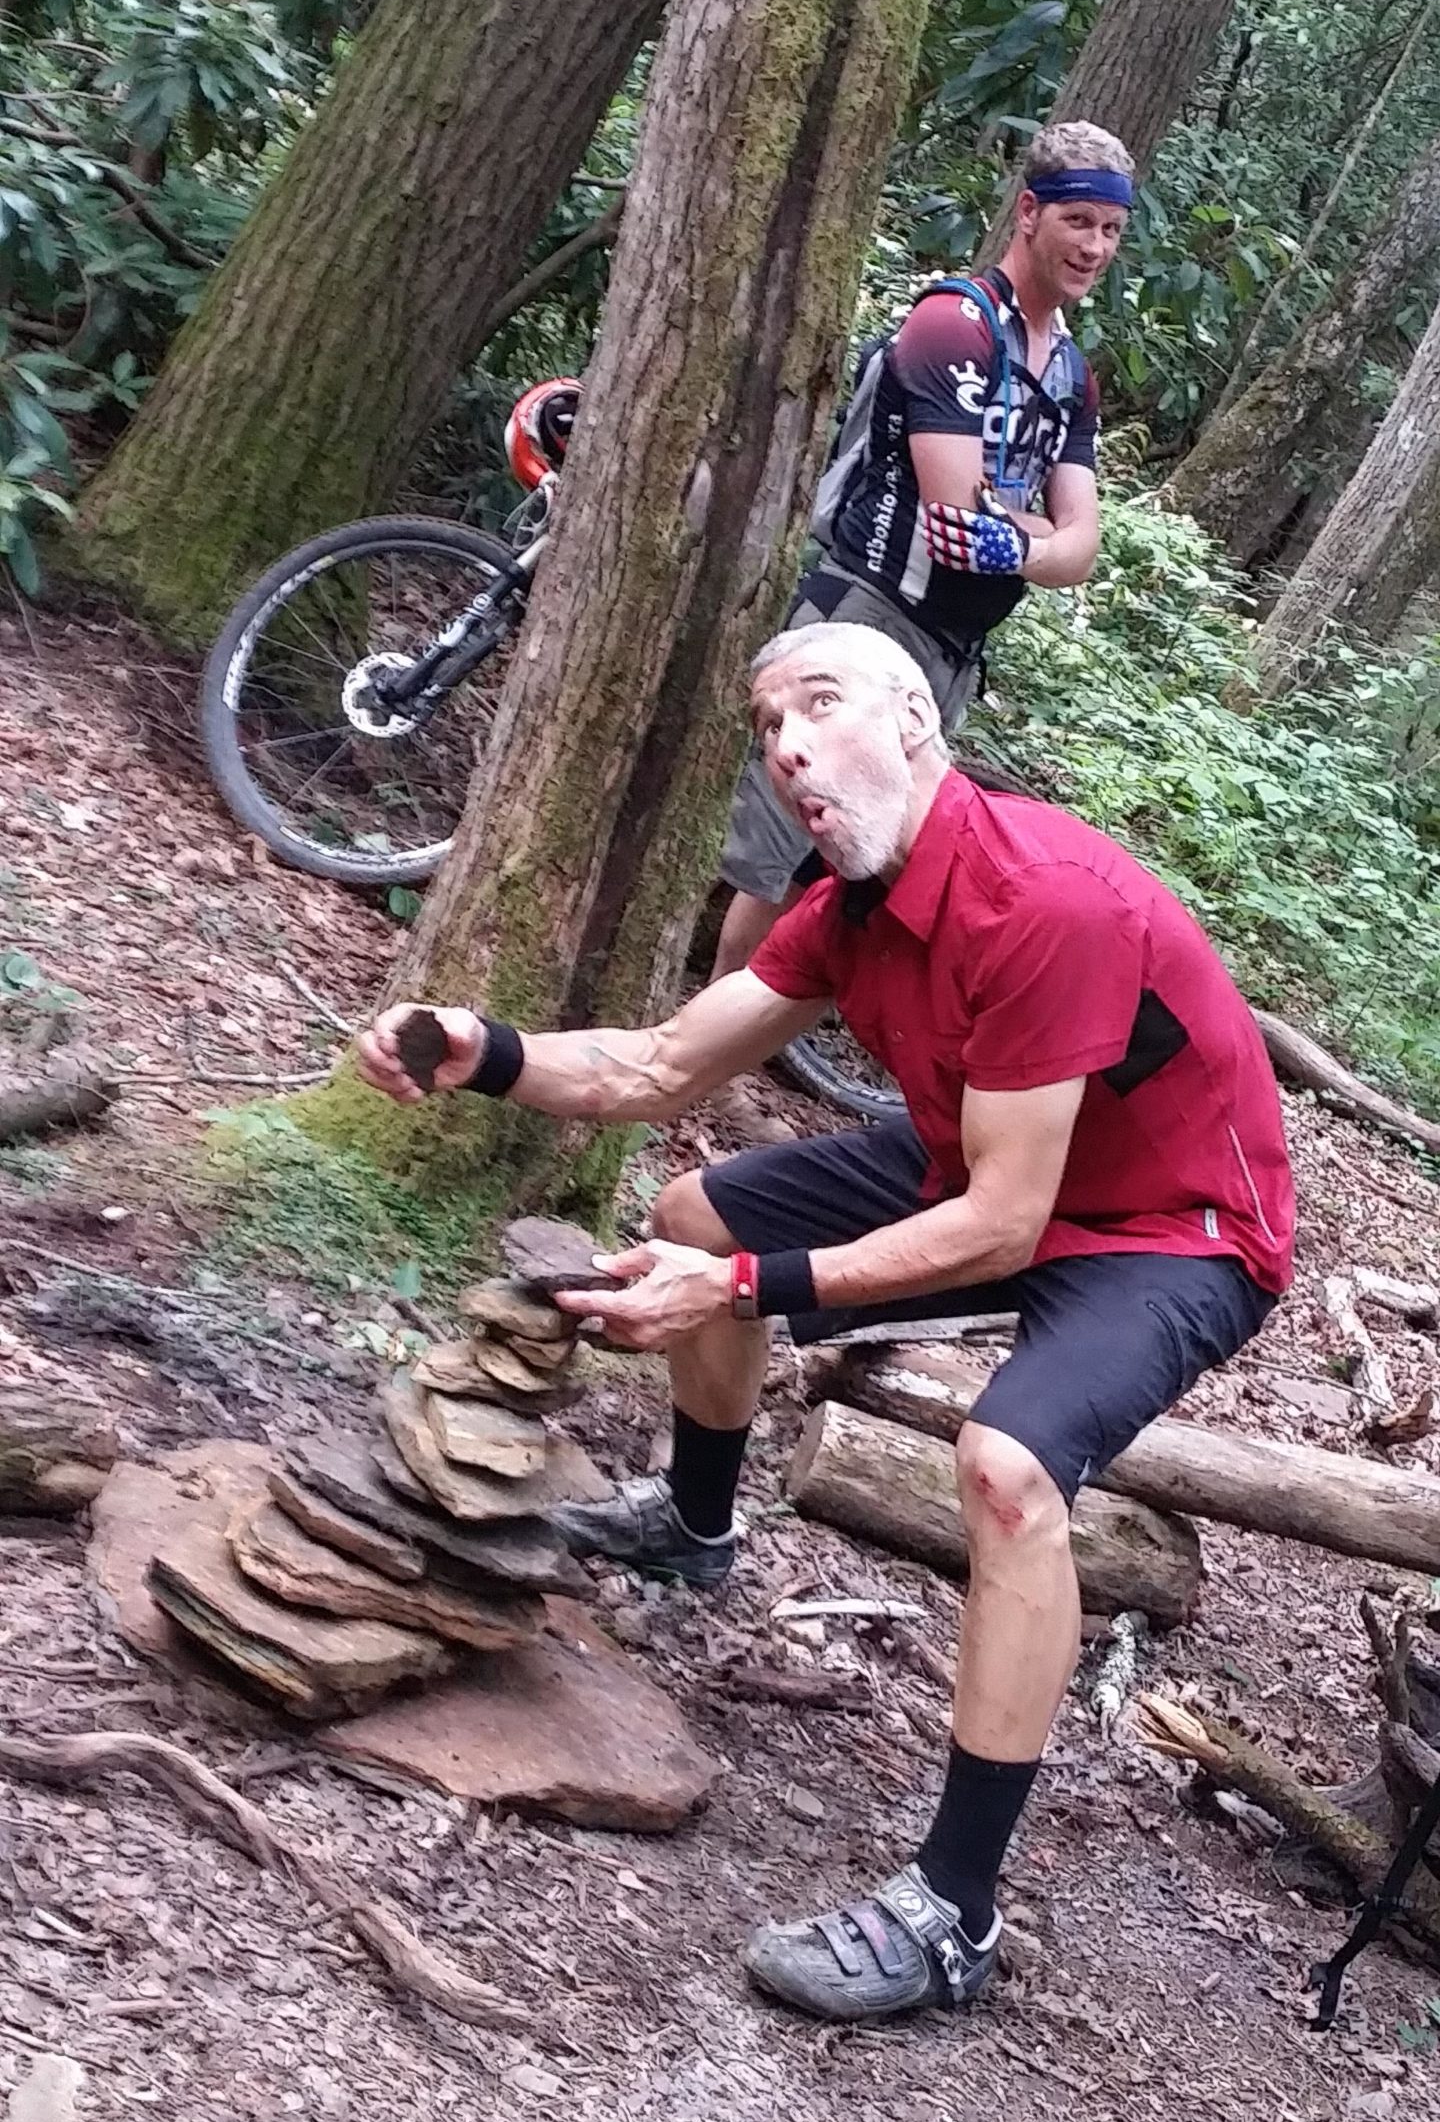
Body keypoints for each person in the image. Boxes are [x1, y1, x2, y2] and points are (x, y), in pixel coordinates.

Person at [357, 619, 1294, 2028]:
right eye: (766, 727)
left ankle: (953, 1916)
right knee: (693, 1214)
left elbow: (1005, 1228)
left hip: (1171, 1229)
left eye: (818, 705)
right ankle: (697, 1517)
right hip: (980, 1168)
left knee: (1010, 1468)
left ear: (915, 720)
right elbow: (663, 1064)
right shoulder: (854, 906)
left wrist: (743, 1295)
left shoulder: (1043, 898)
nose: (786, 746)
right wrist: (477, 1048)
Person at [711, 117, 1134, 991]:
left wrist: (1031, 539)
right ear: (1029, 212)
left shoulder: (1070, 376)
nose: (1095, 246)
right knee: (777, 850)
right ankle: (694, 1052)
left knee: (868, 850)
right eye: (1079, 222)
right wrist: (1041, 536)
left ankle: (745, 1040)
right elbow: (955, 515)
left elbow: (1079, 548)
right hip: (867, 611)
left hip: (951, 653)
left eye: (1111, 230)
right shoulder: (954, 327)